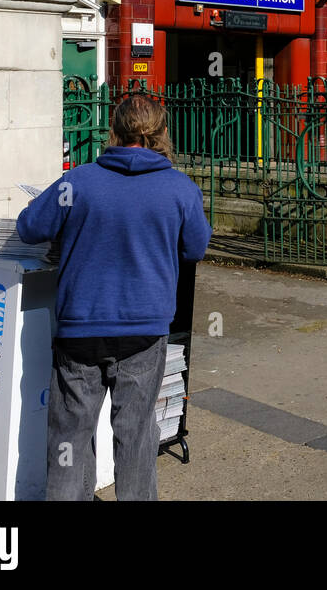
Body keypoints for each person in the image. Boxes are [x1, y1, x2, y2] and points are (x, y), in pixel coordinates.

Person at [17, 95, 211, 501]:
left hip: (80, 329)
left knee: (70, 434)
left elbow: (29, 227)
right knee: (137, 436)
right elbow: (195, 249)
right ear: (160, 135)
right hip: (145, 331)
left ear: (114, 133)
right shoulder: (179, 188)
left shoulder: (78, 181)